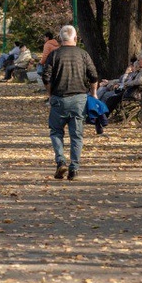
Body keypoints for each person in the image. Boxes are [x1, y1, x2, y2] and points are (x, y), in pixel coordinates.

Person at [42, 25, 98, 179]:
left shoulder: (54, 55)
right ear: (75, 38)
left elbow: (46, 77)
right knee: (77, 135)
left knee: (55, 132)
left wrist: (50, 93)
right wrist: (93, 93)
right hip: (79, 100)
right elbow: (93, 76)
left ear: (60, 38)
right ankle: (74, 167)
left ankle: (60, 162)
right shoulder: (83, 54)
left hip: (59, 99)